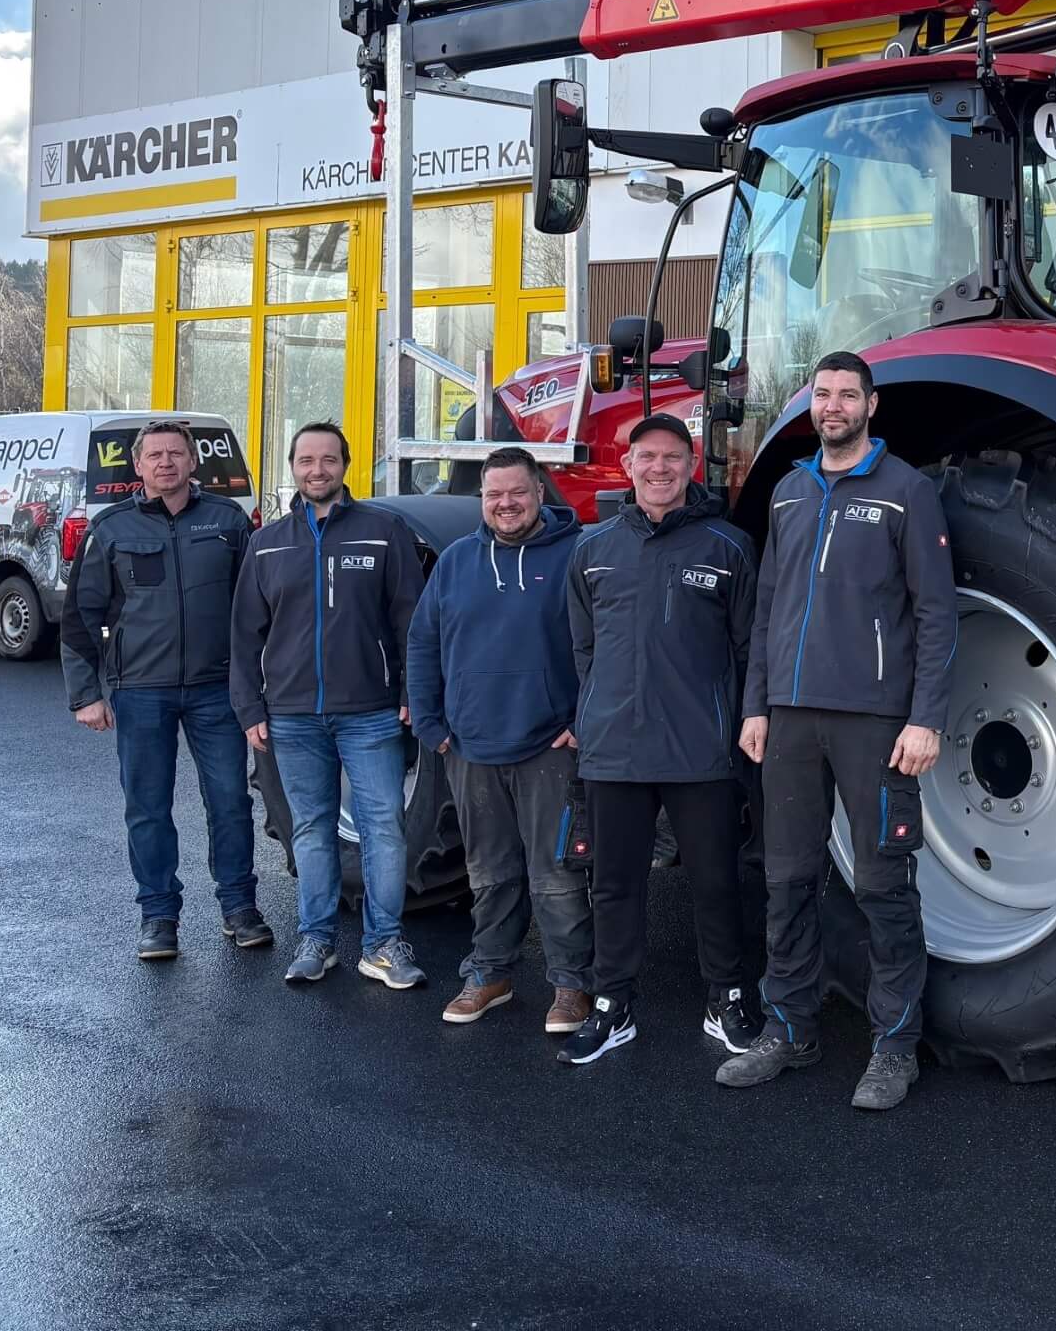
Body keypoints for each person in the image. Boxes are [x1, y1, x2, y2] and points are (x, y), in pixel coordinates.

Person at [718, 351, 955, 1111]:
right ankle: (788, 1026)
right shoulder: (788, 493)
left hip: (875, 723)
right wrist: (756, 704)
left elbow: (937, 614)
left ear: (871, 406)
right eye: (822, 395)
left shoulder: (906, 493)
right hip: (788, 721)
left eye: (847, 395)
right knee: (786, 879)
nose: (833, 407)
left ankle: (894, 1047)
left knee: (884, 883)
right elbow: (767, 611)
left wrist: (925, 718)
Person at [556, 412, 766, 1068]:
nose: (659, 469)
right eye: (647, 457)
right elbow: (583, 648)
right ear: (628, 466)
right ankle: (611, 1006)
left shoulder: (727, 548)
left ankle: (726, 997)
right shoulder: (591, 552)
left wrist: (737, 724)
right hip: (613, 752)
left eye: (673, 458)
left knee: (714, 881)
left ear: (691, 465)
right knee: (615, 886)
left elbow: (748, 650)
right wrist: (593, 718)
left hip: (700, 750)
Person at [61, 418, 269, 962]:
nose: (166, 463)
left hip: (217, 690)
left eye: (176, 454)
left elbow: (258, 609)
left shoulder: (228, 522)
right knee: (147, 808)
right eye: (154, 455)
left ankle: (239, 909)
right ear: (139, 465)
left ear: (193, 462)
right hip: (140, 690)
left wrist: (261, 684)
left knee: (229, 802)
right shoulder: (110, 529)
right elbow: (80, 617)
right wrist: (87, 694)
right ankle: (158, 917)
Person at [229, 423, 428, 990]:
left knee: (384, 827)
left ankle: (383, 944)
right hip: (291, 715)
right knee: (312, 830)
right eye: (306, 460)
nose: (317, 470)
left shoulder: (383, 531)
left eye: (329, 459)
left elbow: (412, 623)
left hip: (370, 713)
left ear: (346, 464)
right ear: (292, 467)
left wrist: (414, 692)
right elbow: (244, 636)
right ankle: (316, 939)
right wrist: (249, 708)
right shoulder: (268, 543)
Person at [406, 446, 594, 1033]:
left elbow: (604, 642)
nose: (506, 504)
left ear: (540, 492)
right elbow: (423, 644)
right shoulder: (457, 560)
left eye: (517, 492)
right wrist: (434, 728)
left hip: (548, 747)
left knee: (557, 874)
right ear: (480, 499)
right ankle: (491, 972)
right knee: (488, 871)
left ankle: (570, 986)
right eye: (494, 495)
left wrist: (582, 720)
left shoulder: (576, 555)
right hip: (470, 746)